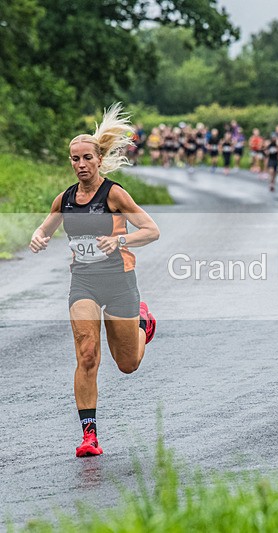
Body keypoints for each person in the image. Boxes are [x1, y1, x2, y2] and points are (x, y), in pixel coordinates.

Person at [28, 103, 160, 457]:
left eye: (87, 158)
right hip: (84, 283)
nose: (81, 164)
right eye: (75, 159)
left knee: (127, 364)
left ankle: (143, 324)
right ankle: (89, 436)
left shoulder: (114, 194)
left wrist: (120, 240)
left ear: (99, 159)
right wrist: (38, 237)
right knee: (87, 354)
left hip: (119, 282)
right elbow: (44, 228)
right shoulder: (65, 200)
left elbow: (151, 230)